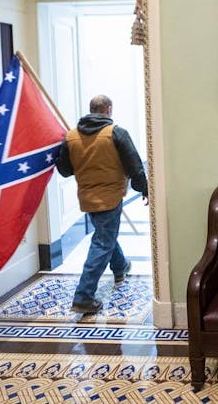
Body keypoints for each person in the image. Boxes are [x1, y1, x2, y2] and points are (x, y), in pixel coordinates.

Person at [56, 95, 148, 315]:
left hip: (86, 198)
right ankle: (84, 296)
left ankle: (120, 266)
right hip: (110, 196)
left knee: (104, 236)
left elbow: (65, 170)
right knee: (102, 243)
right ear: (108, 109)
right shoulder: (116, 133)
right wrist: (144, 189)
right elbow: (135, 165)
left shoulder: (71, 137)